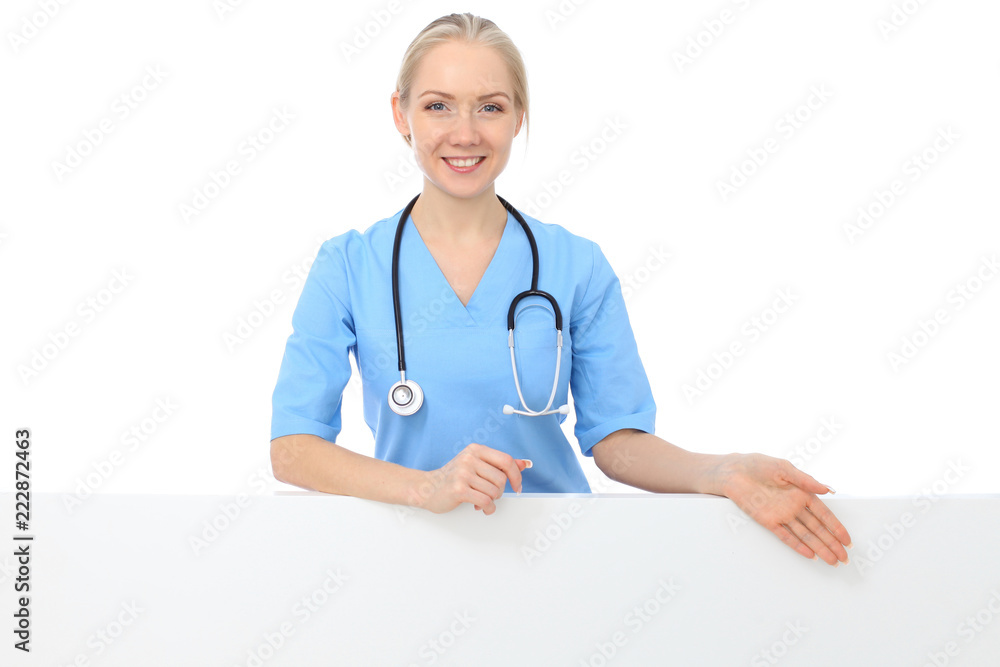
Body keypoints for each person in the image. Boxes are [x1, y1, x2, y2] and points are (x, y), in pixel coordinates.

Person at [269, 12, 852, 566]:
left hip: (560, 558)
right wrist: (428, 487)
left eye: (490, 107)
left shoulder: (575, 264)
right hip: (412, 556)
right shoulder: (347, 265)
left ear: (519, 116)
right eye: (438, 106)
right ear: (401, 115)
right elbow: (292, 448)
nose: (464, 133)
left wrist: (717, 472)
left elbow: (615, 440)